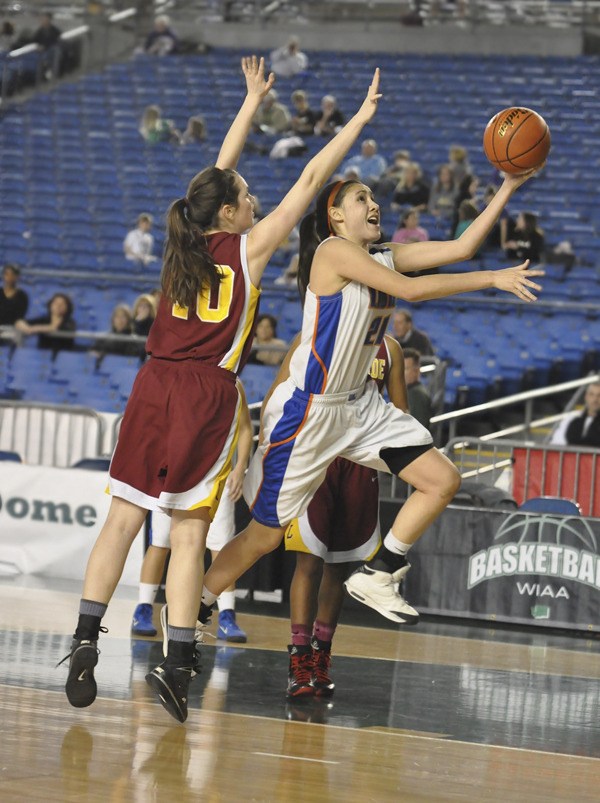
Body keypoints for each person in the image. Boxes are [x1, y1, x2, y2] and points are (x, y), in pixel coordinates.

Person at [59, 56, 385, 724]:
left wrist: (247, 102)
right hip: (206, 394)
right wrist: (355, 121)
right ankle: (177, 662)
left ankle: (84, 638)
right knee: (187, 534)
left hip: (152, 384)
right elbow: (311, 178)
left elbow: (211, 175)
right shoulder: (250, 248)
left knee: (122, 519)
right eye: (246, 194)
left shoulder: (181, 241)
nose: (256, 198)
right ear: (232, 212)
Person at [199, 166, 543, 638]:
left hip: (359, 408)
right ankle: (193, 607)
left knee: (443, 480)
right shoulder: (332, 252)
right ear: (336, 216)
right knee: (264, 536)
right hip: (310, 411)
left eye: (373, 197)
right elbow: (413, 291)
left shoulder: (383, 255)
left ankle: (380, 572)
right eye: (362, 198)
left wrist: (508, 186)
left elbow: (461, 248)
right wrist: (492, 279)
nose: (374, 204)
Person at [280, 333, 407, 698]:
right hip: (317, 455)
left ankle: (320, 657)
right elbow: (282, 390)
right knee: (309, 562)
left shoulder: (390, 348)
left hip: (360, 462)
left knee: (338, 565)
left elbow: (400, 411)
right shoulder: (316, 331)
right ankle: (299, 660)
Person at [131, 379, 253, 643]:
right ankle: (143, 609)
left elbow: (244, 428)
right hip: (174, 474)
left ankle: (227, 614)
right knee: (160, 544)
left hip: (214, 476)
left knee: (220, 546)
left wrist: (240, 467)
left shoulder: (233, 381)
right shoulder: (177, 378)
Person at [550, 382, 600, 448]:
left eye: (599, 395)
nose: (595, 399)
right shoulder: (570, 419)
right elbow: (556, 444)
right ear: (586, 396)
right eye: (591, 394)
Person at [403, 347, 432, 429]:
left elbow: (416, 430)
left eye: (405, 368)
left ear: (416, 371)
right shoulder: (408, 391)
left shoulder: (417, 394)